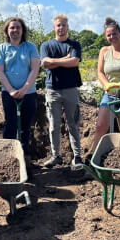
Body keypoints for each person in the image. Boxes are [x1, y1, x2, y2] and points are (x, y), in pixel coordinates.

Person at [39, 14, 84, 172]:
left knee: (73, 124)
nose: (61, 28)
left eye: (63, 25)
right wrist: (64, 59)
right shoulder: (46, 45)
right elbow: (45, 64)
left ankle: (77, 156)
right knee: (54, 125)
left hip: (71, 88)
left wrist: (55, 61)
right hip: (52, 90)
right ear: (54, 27)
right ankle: (55, 155)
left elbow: (74, 62)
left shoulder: (74, 45)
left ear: (67, 27)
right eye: (58, 25)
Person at [90, 18, 120, 155]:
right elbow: (100, 72)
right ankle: (93, 158)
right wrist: (107, 85)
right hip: (110, 93)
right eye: (109, 35)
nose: (112, 37)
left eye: (114, 33)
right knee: (101, 126)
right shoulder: (104, 51)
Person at [0, 17, 40, 158]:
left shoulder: (30, 47)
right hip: (9, 93)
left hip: (29, 93)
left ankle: (25, 156)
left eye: (18, 27)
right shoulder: (2, 48)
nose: (15, 30)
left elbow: (35, 68)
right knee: (11, 124)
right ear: (7, 31)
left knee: (25, 127)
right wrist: (11, 90)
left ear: (22, 30)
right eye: (12, 28)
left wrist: (25, 89)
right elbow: (0, 71)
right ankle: (9, 157)